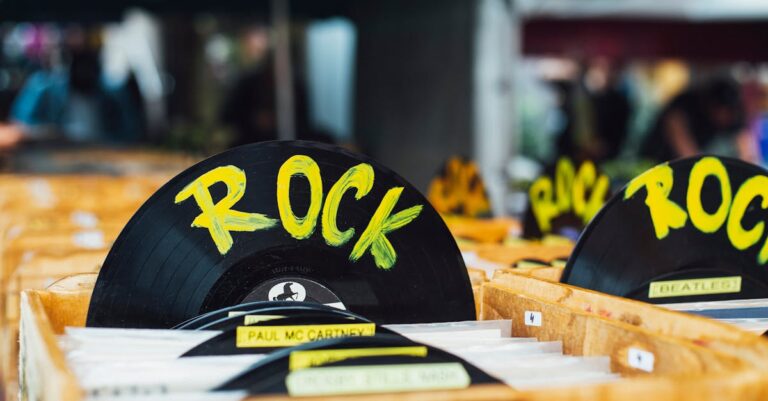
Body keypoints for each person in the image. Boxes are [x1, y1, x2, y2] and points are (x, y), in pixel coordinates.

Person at [640, 77, 754, 163]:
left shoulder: (732, 116)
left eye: (729, 112)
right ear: (710, 104)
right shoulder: (684, 105)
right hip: (654, 163)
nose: (724, 116)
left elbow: (747, 153)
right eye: (721, 110)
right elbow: (688, 155)